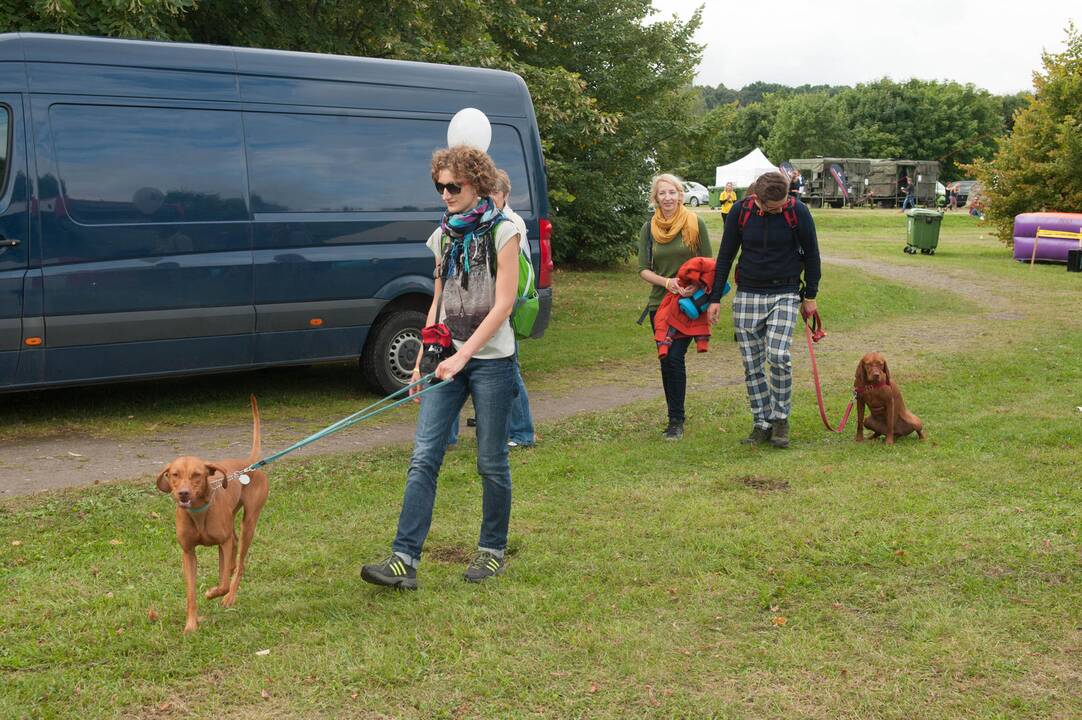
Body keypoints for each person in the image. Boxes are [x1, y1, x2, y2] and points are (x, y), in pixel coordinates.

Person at [361, 145, 520, 589]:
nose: (445, 194)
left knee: (490, 462)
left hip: (490, 362)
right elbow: (439, 299)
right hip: (445, 358)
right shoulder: (444, 234)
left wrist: (464, 354)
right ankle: (403, 560)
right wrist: (421, 362)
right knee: (423, 457)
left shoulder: (505, 232)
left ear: (477, 184)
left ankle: (491, 552)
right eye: (440, 186)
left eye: (454, 186)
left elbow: (503, 303)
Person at [705, 170, 821, 449]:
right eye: (774, 207)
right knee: (752, 364)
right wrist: (714, 298)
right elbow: (725, 256)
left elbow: (813, 254)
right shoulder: (739, 212)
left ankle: (780, 419)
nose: (780, 209)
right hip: (748, 293)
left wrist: (811, 295)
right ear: (757, 198)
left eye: (783, 204)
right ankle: (762, 421)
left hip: (785, 292)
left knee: (778, 355)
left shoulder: (798, 211)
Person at [447, 169, 536, 449]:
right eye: (488, 193)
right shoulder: (476, 222)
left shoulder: (509, 223)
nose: (492, 198)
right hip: (476, 306)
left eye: (496, 193)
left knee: (510, 371)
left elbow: (507, 273)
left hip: (504, 305)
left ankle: (522, 432)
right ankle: (480, 424)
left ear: (505, 195)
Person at [638, 173, 711, 440]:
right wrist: (667, 282)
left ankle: (676, 420)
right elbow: (643, 269)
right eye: (662, 193)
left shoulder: (695, 224)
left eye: (672, 193)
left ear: (680, 195)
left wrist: (695, 284)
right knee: (666, 360)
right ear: (655, 198)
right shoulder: (649, 229)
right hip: (660, 304)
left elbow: (709, 264)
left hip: (688, 305)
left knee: (675, 357)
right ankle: (675, 415)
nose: (667, 198)